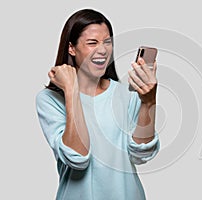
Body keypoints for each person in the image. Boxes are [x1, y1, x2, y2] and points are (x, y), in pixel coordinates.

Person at [35, 8, 160, 200]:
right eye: (92, 43)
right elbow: (77, 158)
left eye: (107, 42)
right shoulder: (49, 100)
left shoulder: (126, 94)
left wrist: (148, 101)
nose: (103, 50)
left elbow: (141, 154)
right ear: (71, 48)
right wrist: (71, 91)